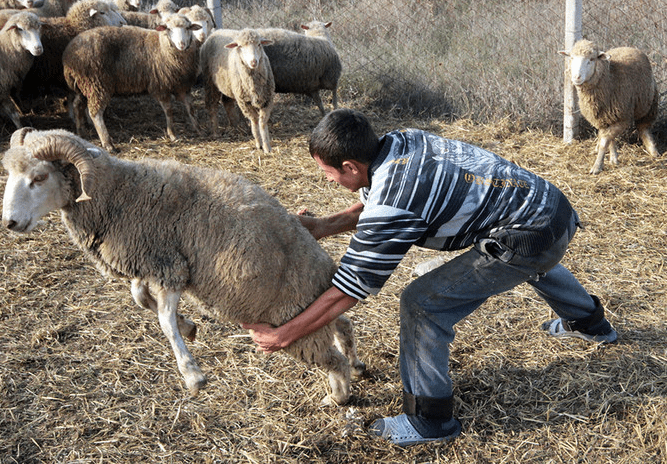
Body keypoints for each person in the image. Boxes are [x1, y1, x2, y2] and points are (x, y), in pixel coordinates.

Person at [241, 108, 617, 446]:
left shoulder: (393, 198)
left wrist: (283, 335)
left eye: (327, 173)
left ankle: (429, 420)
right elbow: (382, 203)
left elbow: (348, 290)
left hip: (529, 236)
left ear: (351, 167)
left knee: (421, 304)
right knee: (532, 256)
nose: (326, 181)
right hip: (551, 207)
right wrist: (323, 226)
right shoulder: (401, 142)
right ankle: (590, 323)